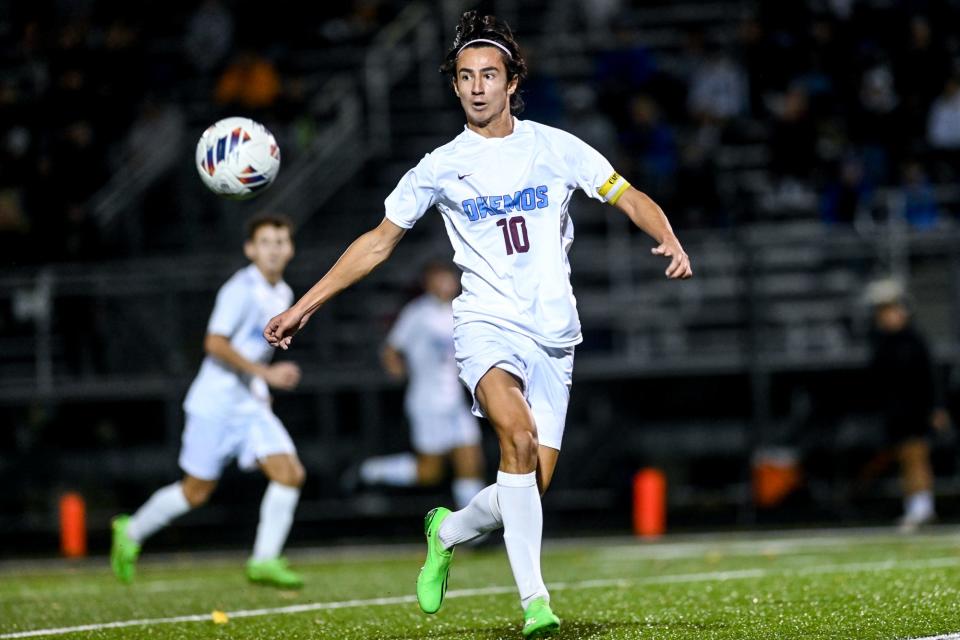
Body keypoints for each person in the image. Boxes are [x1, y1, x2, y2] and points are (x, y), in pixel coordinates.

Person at [263, 11, 692, 637]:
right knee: (514, 439)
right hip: (486, 325)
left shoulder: (553, 146)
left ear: (512, 81)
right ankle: (535, 604)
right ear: (456, 86)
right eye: (466, 77)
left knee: (527, 486)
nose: (478, 86)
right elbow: (379, 242)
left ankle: (449, 529)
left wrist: (669, 236)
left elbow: (627, 194)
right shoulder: (440, 165)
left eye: (490, 74)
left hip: (554, 335)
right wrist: (305, 303)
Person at [111, 214, 306, 588]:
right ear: (250, 249)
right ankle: (130, 531)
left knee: (290, 473)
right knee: (195, 492)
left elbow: (255, 352)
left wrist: (261, 387)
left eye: (281, 241)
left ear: (290, 249)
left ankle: (263, 561)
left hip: (248, 404)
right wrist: (265, 375)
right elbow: (214, 343)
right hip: (214, 403)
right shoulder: (240, 289)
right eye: (265, 242)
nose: (274, 249)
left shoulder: (282, 294)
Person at [350, 261, 486, 510]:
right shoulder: (418, 313)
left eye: (449, 278)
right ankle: (371, 471)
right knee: (430, 472)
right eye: (439, 278)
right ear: (428, 282)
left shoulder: (462, 310)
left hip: (455, 402)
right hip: (427, 402)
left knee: (471, 461)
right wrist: (398, 369)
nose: (445, 284)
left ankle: (475, 534)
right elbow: (391, 349)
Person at [866, 279, 949, 532]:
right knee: (905, 458)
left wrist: (936, 407)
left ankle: (922, 507)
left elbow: (930, 376)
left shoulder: (914, 340)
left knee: (917, 456)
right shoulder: (882, 342)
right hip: (897, 411)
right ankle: (916, 505)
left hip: (917, 409)